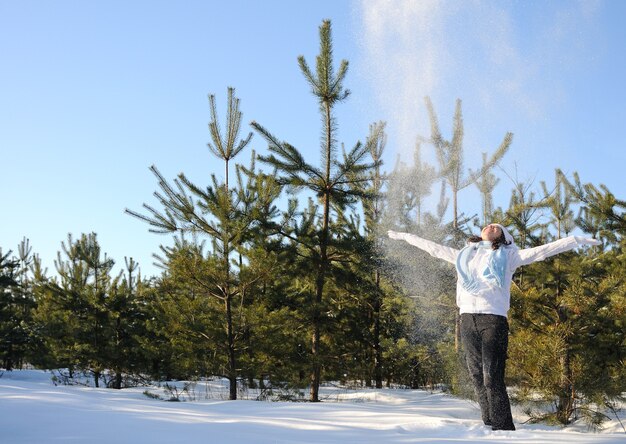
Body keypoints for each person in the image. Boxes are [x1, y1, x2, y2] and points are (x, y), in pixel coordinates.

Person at [387, 224, 600, 431]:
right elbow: (433, 248)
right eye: (488, 225)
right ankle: (488, 423)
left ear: (503, 237)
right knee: (477, 375)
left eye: (496, 227)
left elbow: (542, 251)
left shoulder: (509, 256)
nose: (490, 226)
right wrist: (406, 236)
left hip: (493, 319)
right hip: (467, 318)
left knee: (492, 375)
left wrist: (575, 240)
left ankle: (503, 427)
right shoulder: (465, 255)